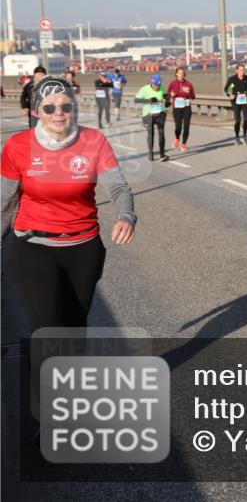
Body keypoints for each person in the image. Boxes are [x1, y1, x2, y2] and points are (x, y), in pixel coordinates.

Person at [1, 77, 136, 415]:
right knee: (47, 329)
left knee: (74, 332)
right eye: (49, 107)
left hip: (83, 248)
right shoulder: (18, 146)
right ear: (37, 111)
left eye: (65, 106)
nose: (58, 113)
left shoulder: (93, 141)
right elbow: (4, 202)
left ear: (74, 108)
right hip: (33, 248)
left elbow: (118, 187)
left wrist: (126, 216)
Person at [134, 74, 171, 162]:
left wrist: (167, 99)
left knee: (161, 133)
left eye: (158, 85)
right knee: (151, 133)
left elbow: (163, 95)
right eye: (155, 85)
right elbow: (136, 100)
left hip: (160, 113)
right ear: (151, 82)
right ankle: (151, 153)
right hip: (148, 114)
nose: (156, 87)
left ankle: (162, 154)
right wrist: (148, 101)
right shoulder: (145, 89)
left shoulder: (161, 87)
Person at [167, 67, 196, 152]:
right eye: (179, 73)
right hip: (177, 108)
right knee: (178, 127)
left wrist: (189, 93)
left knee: (186, 126)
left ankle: (184, 144)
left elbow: (193, 97)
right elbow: (168, 94)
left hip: (186, 107)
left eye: (182, 73)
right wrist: (171, 95)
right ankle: (177, 138)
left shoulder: (189, 84)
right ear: (176, 74)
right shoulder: (172, 84)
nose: (181, 75)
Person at [225, 63, 247, 145]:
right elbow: (227, 89)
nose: (242, 72)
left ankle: (244, 136)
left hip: (245, 100)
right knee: (238, 120)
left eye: (243, 70)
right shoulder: (233, 79)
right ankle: (237, 137)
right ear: (236, 71)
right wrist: (230, 95)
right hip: (236, 101)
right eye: (240, 70)